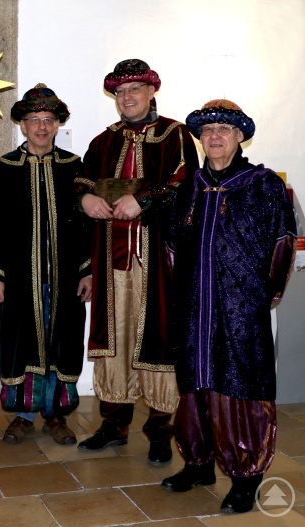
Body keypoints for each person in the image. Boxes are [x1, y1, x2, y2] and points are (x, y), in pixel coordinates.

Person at [161, 100, 296, 514]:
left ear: (241, 136)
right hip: (193, 308)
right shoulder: (188, 186)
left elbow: (282, 245)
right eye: (207, 130)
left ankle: (245, 475)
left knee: (238, 389)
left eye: (224, 128)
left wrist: (262, 297)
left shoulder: (263, 185)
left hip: (241, 310)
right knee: (195, 386)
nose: (214, 136)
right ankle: (198, 463)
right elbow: (170, 247)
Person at [76, 59, 199, 465]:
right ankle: (113, 424)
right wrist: (86, 199)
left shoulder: (175, 134)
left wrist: (143, 200)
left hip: (156, 260)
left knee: (157, 337)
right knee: (115, 337)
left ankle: (161, 430)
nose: (127, 98)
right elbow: (81, 182)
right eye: (121, 92)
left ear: (151, 93)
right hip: (110, 262)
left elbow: (186, 186)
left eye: (135, 90)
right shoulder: (103, 141)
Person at [0, 84, 91, 446]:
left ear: (57, 124)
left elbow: (89, 223)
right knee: (21, 343)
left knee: (61, 342)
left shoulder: (74, 168)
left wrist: (87, 269)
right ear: (22, 126)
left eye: (48, 120)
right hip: (19, 279)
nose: (41, 127)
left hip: (64, 278)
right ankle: (23, 415)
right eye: (33, 120)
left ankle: (55, 414)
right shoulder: (5, 168)